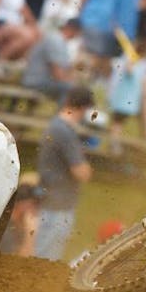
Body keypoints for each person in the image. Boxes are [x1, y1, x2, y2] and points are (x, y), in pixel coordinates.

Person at [35, 86, 94, 261]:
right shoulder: (64, 132)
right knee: (45, 261)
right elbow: (81, 173)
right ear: (84, 108)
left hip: (50, 199)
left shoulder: (56, 126)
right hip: (58, 205)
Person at [78, 0, 123, 78]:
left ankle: (89, 80)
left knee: (100, 56)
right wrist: (80, 17)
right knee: (88, 53)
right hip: (91, 21)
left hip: (106, 26)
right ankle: (80, 79)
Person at [20, 17, 81, 101]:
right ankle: (62, 110)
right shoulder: (55, 40)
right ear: (74, 30)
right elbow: (58, 74)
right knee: (70, 88)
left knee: (72, 87)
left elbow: (65, 71)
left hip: (42, 81)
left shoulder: (60, 41)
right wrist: (73, 83)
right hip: (35, 82)